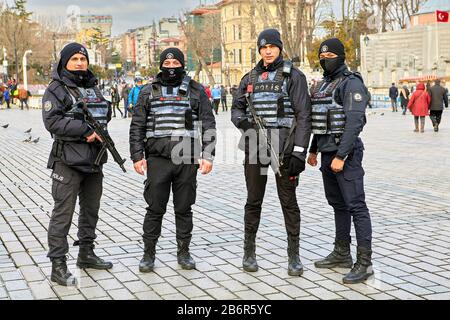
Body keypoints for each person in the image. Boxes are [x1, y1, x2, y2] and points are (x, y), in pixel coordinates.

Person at [231, 29, 311, 276]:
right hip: (255, 146)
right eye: (263, 48)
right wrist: (244, 124)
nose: (267, 51)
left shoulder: (293, 77)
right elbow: (236, 109)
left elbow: (304, 115)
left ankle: (294, 256)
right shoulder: (249, 77)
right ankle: (249, 252)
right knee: (253, 200)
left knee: (289, 202)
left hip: (284, 149)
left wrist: (299, 152)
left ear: (279, 48)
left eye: (272, 47)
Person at [130, 47, 216, 273]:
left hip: (187, 159)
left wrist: (208, 155)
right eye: (166, 65)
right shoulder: (148, 91)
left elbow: (209, 124)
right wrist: (137, 156)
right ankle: (148, 254)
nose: (171, 68)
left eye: (175, 65)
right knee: (154, 208)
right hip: (157, 159)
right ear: (161, 66)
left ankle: (184, 252)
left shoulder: (196, 90)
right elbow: (137, 126)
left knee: (184, 208)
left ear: (182, 65)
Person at [42, 42, 114, 286]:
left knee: (90, 210)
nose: (80, 63)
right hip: (67, 161)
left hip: (94, 160)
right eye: (74, 59)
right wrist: (85, 130)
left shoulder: (93, 86)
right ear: (64, 62)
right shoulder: (56, 89)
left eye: (83, 59)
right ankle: (58, 264)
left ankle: (86, 253)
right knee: (63, 213)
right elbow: (52, 122)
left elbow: (105, 112)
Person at [307, 38, 373, 284]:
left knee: (356, 206)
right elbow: (320, 120)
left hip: (345, 155)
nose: (326, 60)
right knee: (338, 205)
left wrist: (341, 155)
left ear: (342, 57)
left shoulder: (351, 82)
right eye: (323, 57)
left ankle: (365, 263)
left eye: (331, 56)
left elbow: (355, 121)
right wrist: (314, 149)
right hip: (326, 154)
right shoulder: (324, 84)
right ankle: (342, 252)